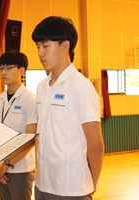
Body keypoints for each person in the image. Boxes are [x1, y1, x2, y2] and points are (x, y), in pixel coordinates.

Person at [32, 16, 105, 200]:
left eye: (45, 46)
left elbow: (96, 146)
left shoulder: (80, 86)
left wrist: (90, 184)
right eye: (38, 47)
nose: (40, 53)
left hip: (70, 188)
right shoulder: (42, 87)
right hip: (42, 183)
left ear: (65, 46)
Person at [0, 50, 37, 200]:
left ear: (21, 70)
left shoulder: (30, 100)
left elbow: (30, 139)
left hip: (20, 169)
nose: (3, 72)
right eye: (1, 68)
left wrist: (7, 164)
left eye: (8, 68)